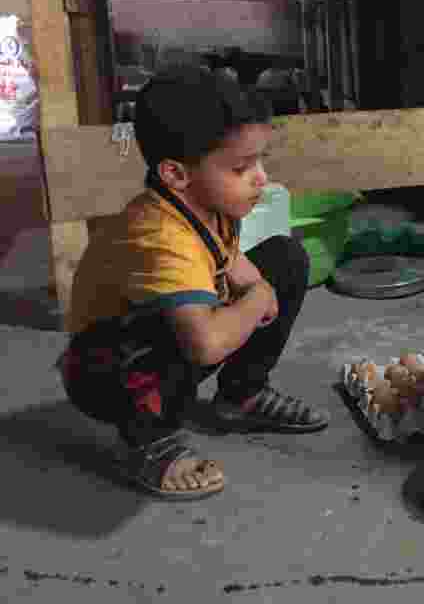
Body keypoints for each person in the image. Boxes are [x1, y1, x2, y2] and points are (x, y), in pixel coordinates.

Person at [57, 66, 328, 501]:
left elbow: (228, 256)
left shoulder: (206, 201)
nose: (260, 177)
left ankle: (241, 396)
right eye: (241, 166)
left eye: (260, 161)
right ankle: (149, 441)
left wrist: (259, 283)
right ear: (176, 174)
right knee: (181, 327)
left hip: (166, 326)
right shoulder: (161, 238)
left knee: (285, 258)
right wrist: (257, 299)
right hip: (107, 366)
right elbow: (204, 345)